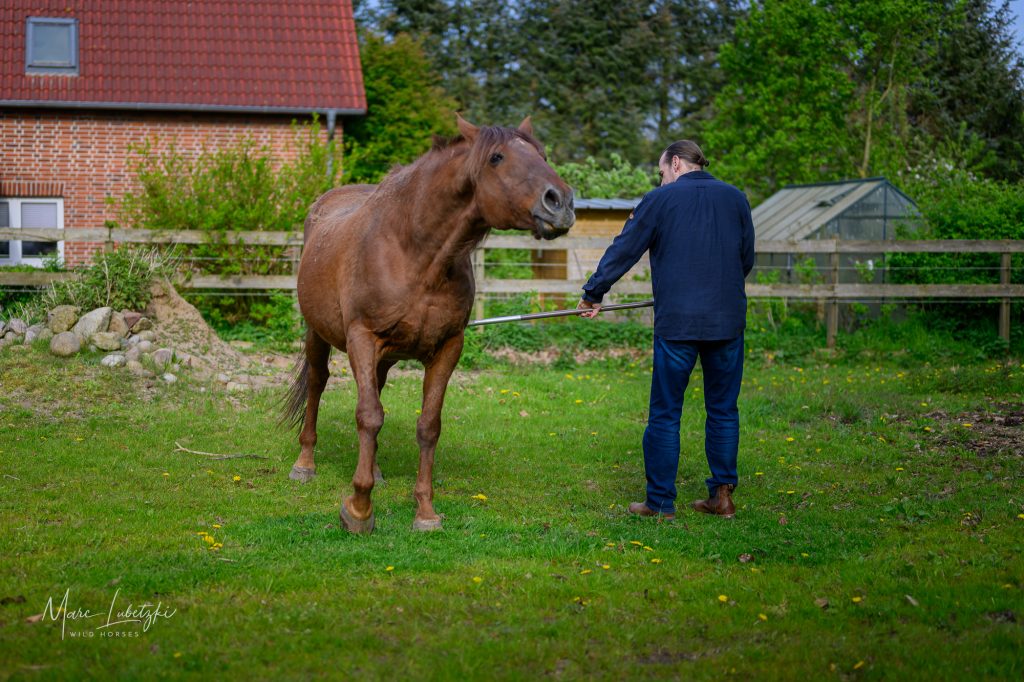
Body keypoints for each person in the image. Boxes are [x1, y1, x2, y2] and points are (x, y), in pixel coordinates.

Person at [577, 140, 755, 520]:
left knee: (665, 413)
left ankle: (659, 503)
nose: (660, 181)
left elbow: (625, 248)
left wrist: (594, 292)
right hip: (726, 321)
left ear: (675, 163)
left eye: (661, 174)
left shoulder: (660, 201)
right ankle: (722, 497)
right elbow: (746, 259)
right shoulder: (736, 199)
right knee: (723, 410)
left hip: (678, 324)